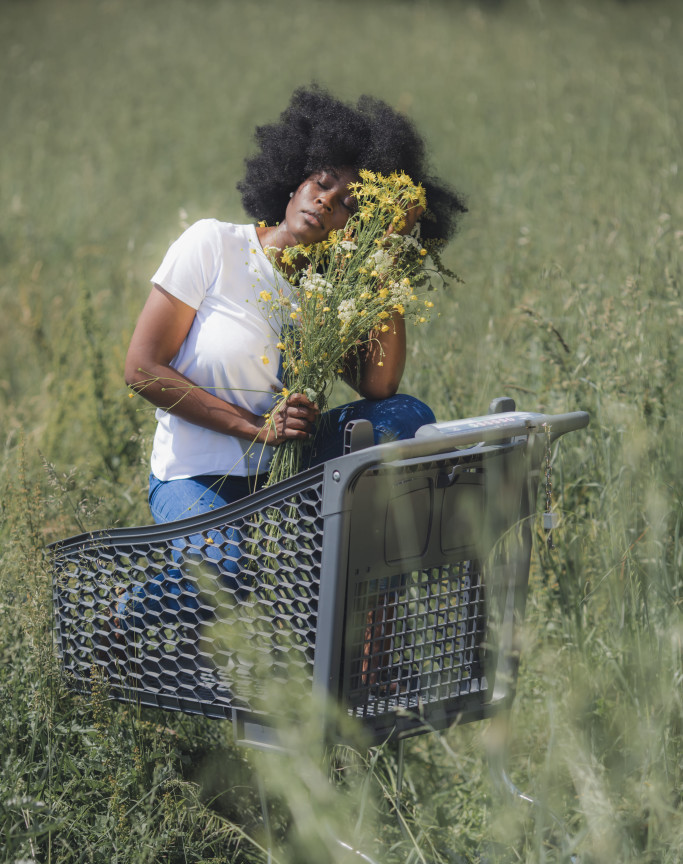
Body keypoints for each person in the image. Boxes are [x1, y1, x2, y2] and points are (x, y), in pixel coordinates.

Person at [125, 85, 467, 534]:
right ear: (295, 179)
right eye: (321, 183)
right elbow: (142, 369)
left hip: (289, 473)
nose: (326, 200)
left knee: (407, 416)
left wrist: (380, 256)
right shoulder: (215, 245)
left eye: (350, 204)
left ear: (357, 226)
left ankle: (366, 561)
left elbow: (379, 386)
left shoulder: (334, 293)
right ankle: (126, 608)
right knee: (221, 577)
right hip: (196, 474)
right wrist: (259, 428)